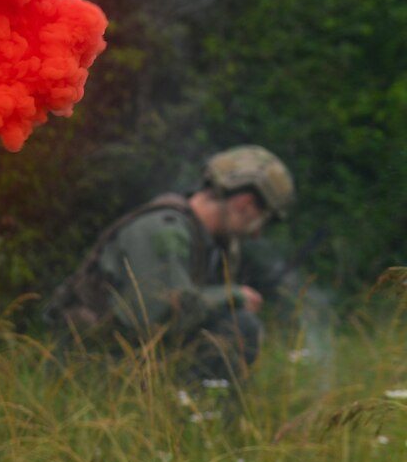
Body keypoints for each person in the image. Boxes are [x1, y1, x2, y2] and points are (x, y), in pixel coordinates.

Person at [44, 145, 295, 381]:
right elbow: (162, 310)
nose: (257, 233)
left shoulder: (205, 242)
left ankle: (195, 412)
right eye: (264, 218)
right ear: (245, 204)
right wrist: (232, 296)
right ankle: (199, 412)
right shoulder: (165, 231)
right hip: (87, 363)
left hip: (122, 358)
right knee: (241, 327)